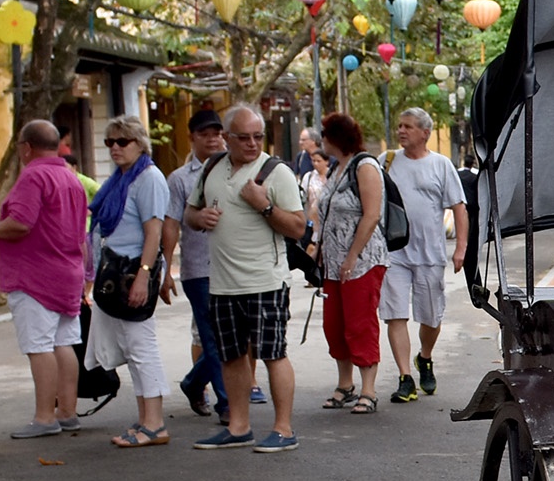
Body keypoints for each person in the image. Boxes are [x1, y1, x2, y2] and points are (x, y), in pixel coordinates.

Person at [181, 104, 307, 452]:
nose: (252, 144)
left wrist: (263, 205)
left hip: (265, 281)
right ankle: (238, 426)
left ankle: (283, 429)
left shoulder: (275, 172)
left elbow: (298, 227)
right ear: (227, 138)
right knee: (232, 356)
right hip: (222, 283)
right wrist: (199, 218)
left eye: (257, 137)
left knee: (273, 354)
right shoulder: (211, 168)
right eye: (243, 137)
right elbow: (190, 212)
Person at [0, 120, 88, 439]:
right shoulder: (70, 177)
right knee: (64, 343)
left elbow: (21, 224)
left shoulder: (33, 176)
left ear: (26, 147)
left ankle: (44, 417)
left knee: (40, 346)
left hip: (35, 275)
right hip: (68, 269)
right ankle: (67, 411)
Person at [89, 113, 172, 448]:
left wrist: (144, 275)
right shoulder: (120, 179)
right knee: (130, 346)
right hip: (115, 270)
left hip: (133, 271)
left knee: (141, 347)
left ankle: (155, 423)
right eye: (110, 141)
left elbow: (154, 232)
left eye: (122, 141)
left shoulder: (148, 178)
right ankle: (144, 419)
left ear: (140, 144)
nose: (115, 147)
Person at [381, 107, 466, 402]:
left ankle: (425, 357)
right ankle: (405, 378)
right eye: (400, 126)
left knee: (431, 316)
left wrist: (461, 247)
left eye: (408, 126)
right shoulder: (386, 161)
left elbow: (459, 208)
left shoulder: (440, 165)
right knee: (395, 314)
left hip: (430, 253)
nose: (401, 131)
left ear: (425, 133)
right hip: (394, 253)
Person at [313, 113, 387, 414]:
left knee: (360, 323)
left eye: (324, 133)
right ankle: (345, 384)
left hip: (362, 261)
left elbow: (372, 215)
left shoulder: (365, 166)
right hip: (333, 263)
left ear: (336, 137)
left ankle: (368, 389)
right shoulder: (335, 168)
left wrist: (353, 255)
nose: (321, 139)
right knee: (334, 325)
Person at [164, 107, 229, 416]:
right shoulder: (179, 179)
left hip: (234, 266)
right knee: (212, 338)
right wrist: (165, 270)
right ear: (192, 138)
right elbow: (170, 224)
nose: (212, 139)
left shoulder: (235, 170)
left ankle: (193, 382)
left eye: (217, 134)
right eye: (205, 134)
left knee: (236, 337)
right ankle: (227, 403)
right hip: (199, 269)